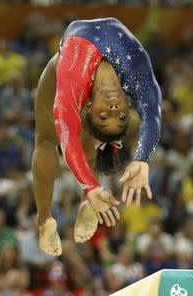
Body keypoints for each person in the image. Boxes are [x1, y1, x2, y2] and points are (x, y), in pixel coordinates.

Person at [32, 17, 161, 255]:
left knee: (51, 138)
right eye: (122, 117)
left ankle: (73, 208)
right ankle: (45, 220)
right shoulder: (134, 72)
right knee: (53, 140)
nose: (113, 112)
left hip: (70, 66)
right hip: (74, 69)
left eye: (104, 117)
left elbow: (69, 136)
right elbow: (153, 113)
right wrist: (143, 157)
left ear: (89, 107)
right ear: (129, 107)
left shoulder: (74, 80)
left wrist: (92, 187)